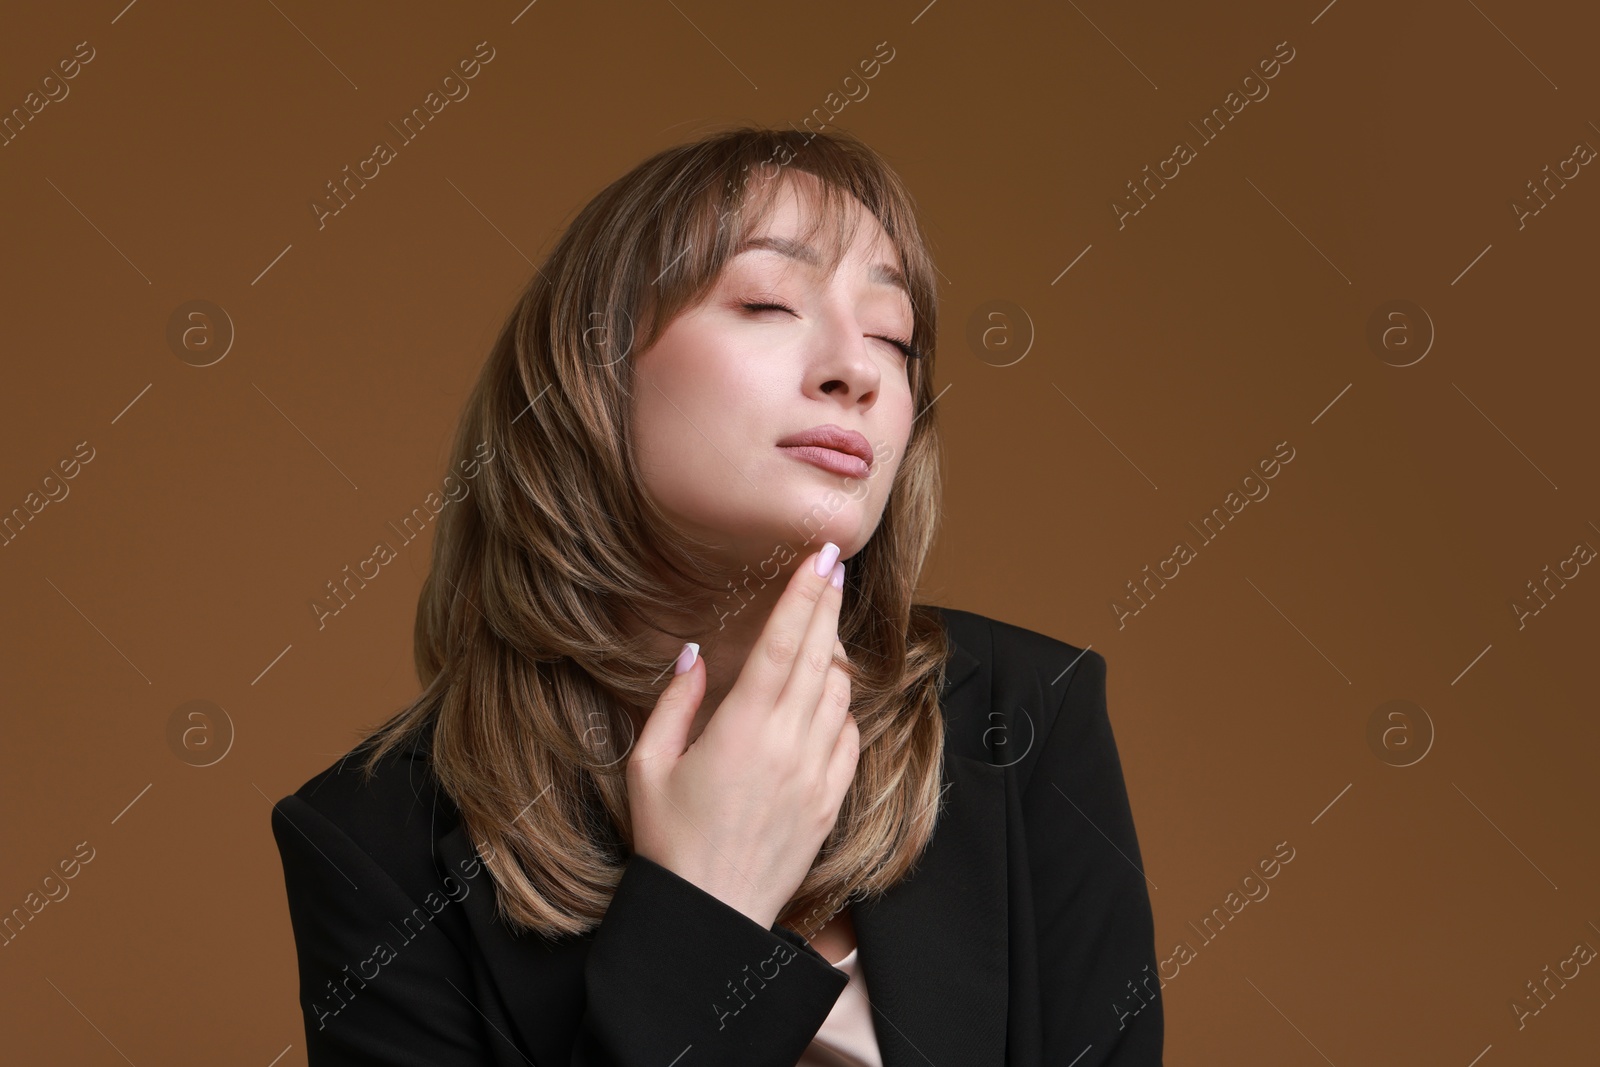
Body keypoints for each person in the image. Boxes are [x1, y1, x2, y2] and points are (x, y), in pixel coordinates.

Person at [271, 124, 1163, 1066]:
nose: (856, 370)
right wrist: (707, 907)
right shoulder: (372, 842)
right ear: (592, 370)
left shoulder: (1027, 717)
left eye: (893, 336)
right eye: (770, 302)